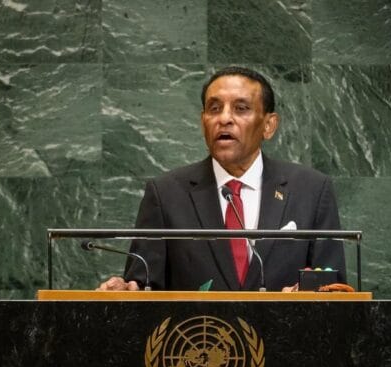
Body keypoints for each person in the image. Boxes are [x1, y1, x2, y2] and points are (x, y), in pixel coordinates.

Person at [99, 66, 345, 291]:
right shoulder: (166, 194)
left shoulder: (311, 190)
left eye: (241, 108)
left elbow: (334, 289)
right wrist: (126, 289)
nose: (224, 119)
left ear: (269, 125)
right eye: (214, 109)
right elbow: (142, 286)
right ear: (203, 122)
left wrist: (308, 294)